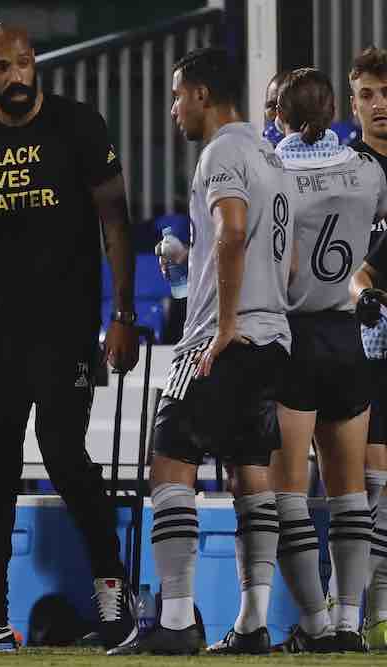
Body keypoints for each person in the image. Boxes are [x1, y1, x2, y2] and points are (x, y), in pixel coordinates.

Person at [0, 23, 138, 652]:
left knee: (63, 452)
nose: (16, 77)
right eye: (1, 68)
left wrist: (123, 313)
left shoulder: (78, 124)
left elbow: (116, 221)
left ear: (34, 63)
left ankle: (114, 601)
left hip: (66, 323)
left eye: (23, 64)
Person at [109, 47, 292, 656]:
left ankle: (179, 618)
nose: (172, 109)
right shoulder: (272, 153)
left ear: (203, 96)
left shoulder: (223, 152)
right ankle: (252, 623)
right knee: (249, 476)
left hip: (225, 339)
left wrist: (221, 325)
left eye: (176, 95)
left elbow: (233, 232)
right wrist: (196, 278)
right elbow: (277, 256)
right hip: (272, 339)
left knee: (169, 464)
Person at [266, 67, 386, 654]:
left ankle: (313, 623)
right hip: (347, 336)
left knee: (287, 491)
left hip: (293, 336)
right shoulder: (367, 170)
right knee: (349, 492)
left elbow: (277, 264)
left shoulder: (273, 171)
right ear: (335, 109)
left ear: (282, 115)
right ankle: (346, 625)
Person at [347, 46, 387, 650]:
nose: (381, 106)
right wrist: (365, 293)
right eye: (369, 95)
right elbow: (347, 264)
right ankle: (364, 615)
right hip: (370, 347)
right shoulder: (345, 171)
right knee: (375, 484)